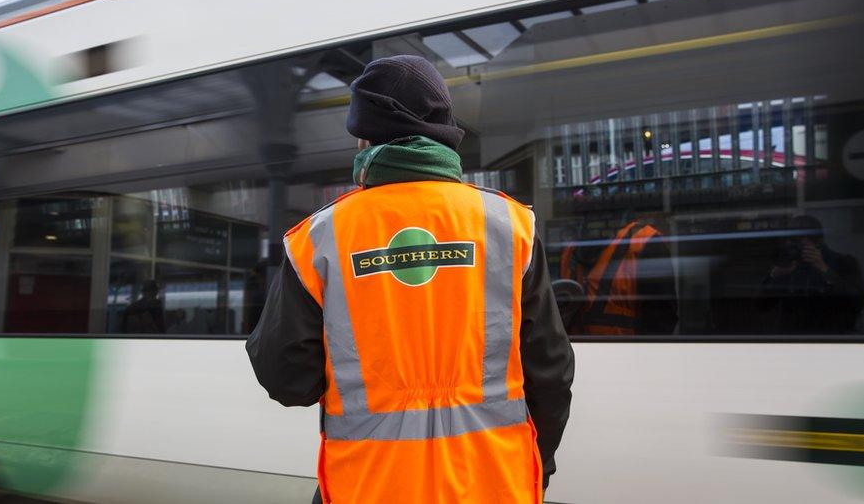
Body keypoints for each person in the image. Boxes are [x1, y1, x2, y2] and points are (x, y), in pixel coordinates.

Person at [247, 55, 575, 503]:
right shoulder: (510, 225)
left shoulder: (319, 238)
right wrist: (540, 463)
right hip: (495, 484)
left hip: (367, 487)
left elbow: (286, 379)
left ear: (364, 137)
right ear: (444, 126)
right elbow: (551, 372)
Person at [559, 216, 677, 335]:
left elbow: (662, 323)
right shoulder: (570, 252)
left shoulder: (645, 243)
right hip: (576, 351)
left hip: (628, 351)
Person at [757, 215, 864, 333]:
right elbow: (761, 306)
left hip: (832, 338)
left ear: (818, 242)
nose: (792, 246)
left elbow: (857, 304)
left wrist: (825, 270)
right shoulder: (788, 264)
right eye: (788, 241)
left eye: (798, 241)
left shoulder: (842, 262)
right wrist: (774, 276)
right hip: (792, 340)